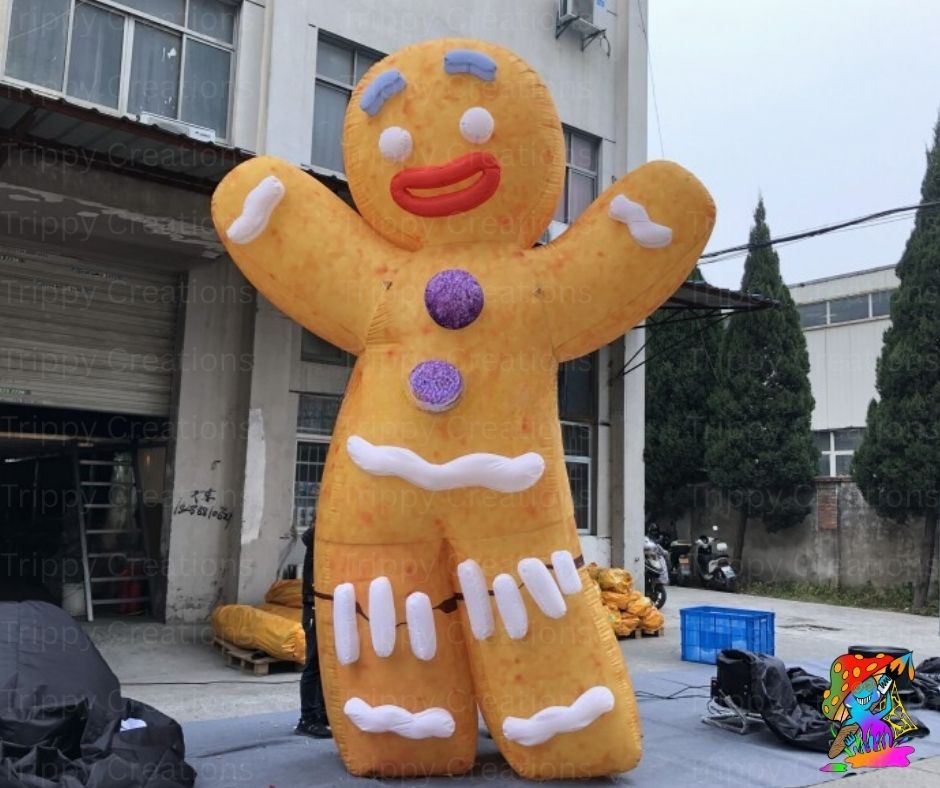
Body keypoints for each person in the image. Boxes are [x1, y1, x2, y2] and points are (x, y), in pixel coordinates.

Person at [295, 526, 331, 738]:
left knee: (325, 664)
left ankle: (322, 712)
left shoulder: (329, 545)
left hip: (326, 606)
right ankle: (307, 718)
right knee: (313, 664)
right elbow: (306, 536)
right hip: (314, 607)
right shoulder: (315, 536)